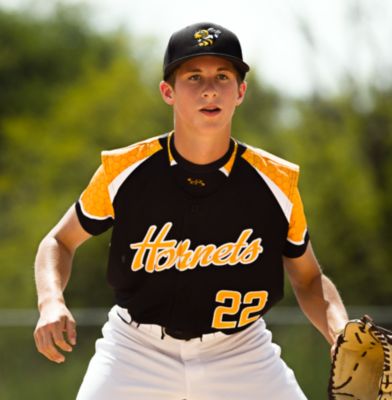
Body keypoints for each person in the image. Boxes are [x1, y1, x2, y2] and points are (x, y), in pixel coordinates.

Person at [33, 22, 349, 399]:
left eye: (223, 76)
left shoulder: (275, 182)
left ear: (241, 91)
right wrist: (50, 301)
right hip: (136, 349)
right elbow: (58, 241)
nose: (210, 89)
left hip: (241, 351)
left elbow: (309, 278)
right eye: (194, 77)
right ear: (168, 91)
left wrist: (340, 332)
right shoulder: (126, 171)